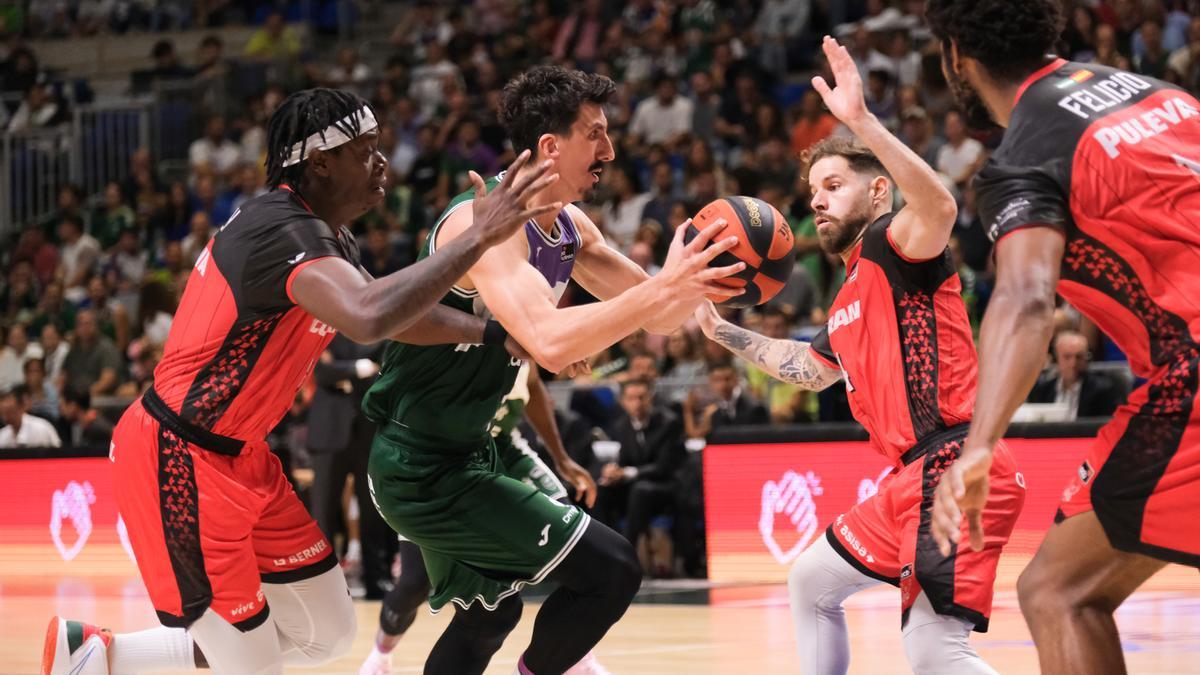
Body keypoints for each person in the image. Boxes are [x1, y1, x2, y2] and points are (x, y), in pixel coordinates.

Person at [42, 87, 559, 675]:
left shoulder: (323, 235)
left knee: (327, 630)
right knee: (255, 666)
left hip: (243, 459)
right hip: (178, 458)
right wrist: (478, 237)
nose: (382, 163)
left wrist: (491, 333)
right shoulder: (281, 230)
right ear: (319, 164)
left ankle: (102, 658)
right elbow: (369, 315)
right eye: (366, 151)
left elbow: (395, 310)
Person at [361, 65, 743, 675]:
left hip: (470, 451)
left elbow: (658, 317)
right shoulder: (481, 223)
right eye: (595, 135)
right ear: (549, 146)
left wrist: (697, 278)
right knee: (612, 570)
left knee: (490, 615)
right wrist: (656, 293)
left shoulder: (568, 226)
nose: (610, 151)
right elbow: (548, 342)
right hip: (418, 462)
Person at [695, 37, 1025, 674]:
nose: (816, 199)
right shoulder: (849, 294)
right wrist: (720, 331)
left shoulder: (896, 244)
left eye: (834, 184)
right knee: (811, 582)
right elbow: (809, 368)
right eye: (812, 189)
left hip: (953, 463)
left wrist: (861, 122)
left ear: (878, 193)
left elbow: (940, 205)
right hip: (907, 480)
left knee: (933, 650)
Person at [924, 2, 1200, 674]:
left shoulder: (1022, 156)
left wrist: (979, 445)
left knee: (1058, 591)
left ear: (956, 55)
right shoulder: (1164, 95)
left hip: (1191, 376)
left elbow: (1025, 298)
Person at [359, 363, 604, 675]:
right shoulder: (455, 349)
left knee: (576, 539)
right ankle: (379, 656)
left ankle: (577, 656)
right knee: (415, 581)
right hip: (444, 461)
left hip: (505, 451)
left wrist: (561, 457)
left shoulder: (521, 343)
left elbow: (533, 385)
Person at [1026, 330, 1124, 419]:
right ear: (1057, 359)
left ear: (1087, 359)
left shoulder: (1102, 391)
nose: (1073, 364)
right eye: (1067, 357)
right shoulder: (1042, 390)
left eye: (1079, 357)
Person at [0, 384, 61, 448]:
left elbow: (58, 454)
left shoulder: (41, 428)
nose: (6, 416)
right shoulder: (2, 435)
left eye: (10, 411)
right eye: (3, 413)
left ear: (21, 407)